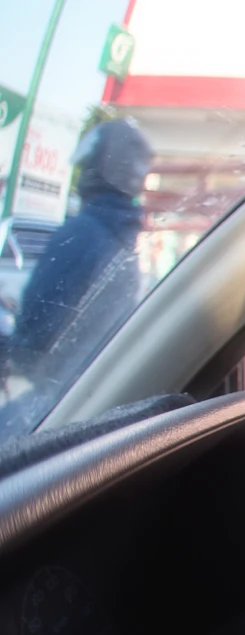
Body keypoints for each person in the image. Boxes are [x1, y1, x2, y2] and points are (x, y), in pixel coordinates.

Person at [6, 119, 152, 424]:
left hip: (58, 403)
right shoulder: (126, 238)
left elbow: (36, 343)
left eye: (85, 165)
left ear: (94, 169)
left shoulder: (82, 233)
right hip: (94, 403)